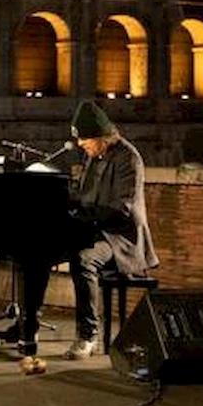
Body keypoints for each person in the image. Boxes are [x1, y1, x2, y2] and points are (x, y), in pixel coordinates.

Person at [62, 99, 158, 360]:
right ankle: (28, 326)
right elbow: (85, 197)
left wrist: (85, 218)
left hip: (121, 237)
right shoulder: (94, 156)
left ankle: (88, 335)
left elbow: (122, 208)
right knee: (48, 249)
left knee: (84, 259)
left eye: (85, 140)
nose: (81, 144)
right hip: (97, 229)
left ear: (102, 137)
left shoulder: (129, 158)